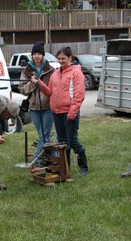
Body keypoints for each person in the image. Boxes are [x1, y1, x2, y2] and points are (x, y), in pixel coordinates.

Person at [33, 46, 89, 176]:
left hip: (69, 113)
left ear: (70, 58)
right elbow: (49, 92)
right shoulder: (55, 73)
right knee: (62, 143)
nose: (61, 61)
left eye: (63, 58)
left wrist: (72, 112)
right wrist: (39, 83)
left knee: (73, 142)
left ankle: (83, 167)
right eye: (59, 59)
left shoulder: (76, 73)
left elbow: (79, 95)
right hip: (56, 113)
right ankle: (65, 168)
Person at [18, 42, 55, 161]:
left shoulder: (51, 70)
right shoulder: (26, 71)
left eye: (39, 53)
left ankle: (36, 161)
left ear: (43, 55)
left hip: (48, 107)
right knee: (43, 136)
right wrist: (32, 83)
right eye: (34, 53)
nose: (37, 56)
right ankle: (52, 159)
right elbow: (22, 89)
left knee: (44, 137)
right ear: (32, 55)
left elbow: (54, 89)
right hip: (33, 108)